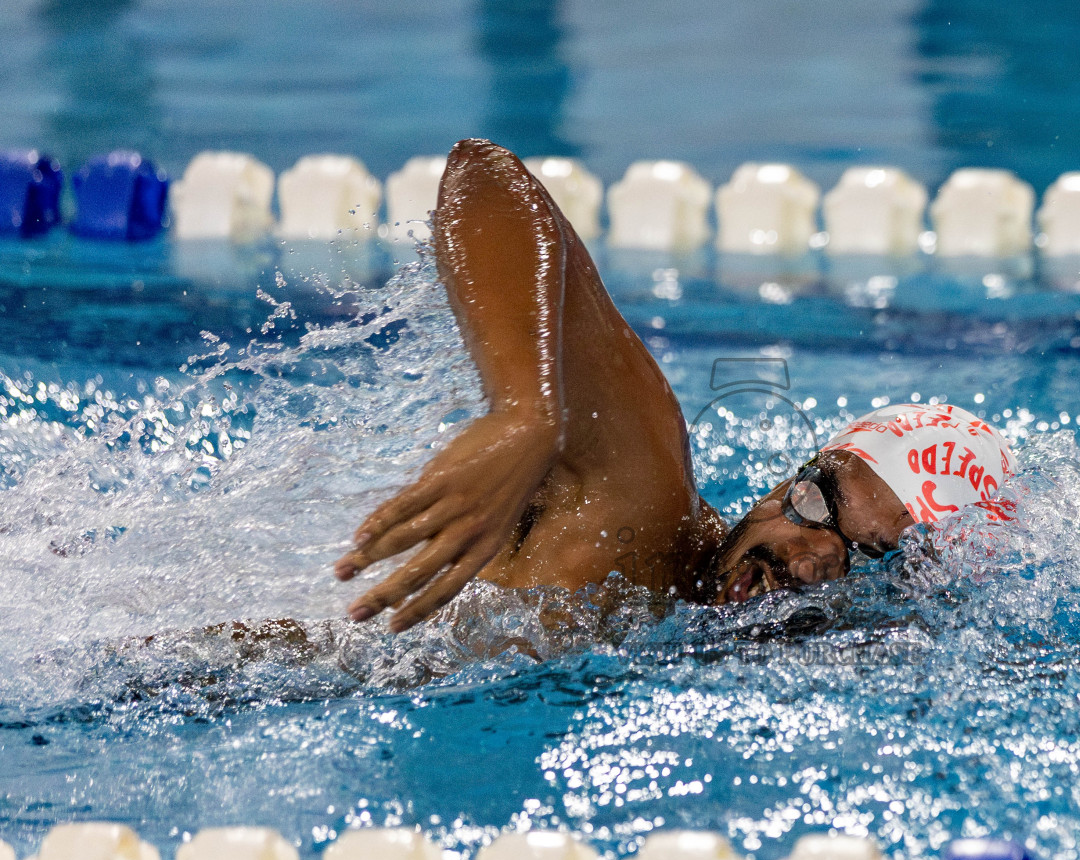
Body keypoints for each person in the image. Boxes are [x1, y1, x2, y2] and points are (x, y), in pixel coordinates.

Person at [334, 139, 1014, 632]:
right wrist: (525, 413)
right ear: (787, 482)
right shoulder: (638, 504)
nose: (804, 563)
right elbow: (485, 175)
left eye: (861, 556)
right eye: (813, 504)